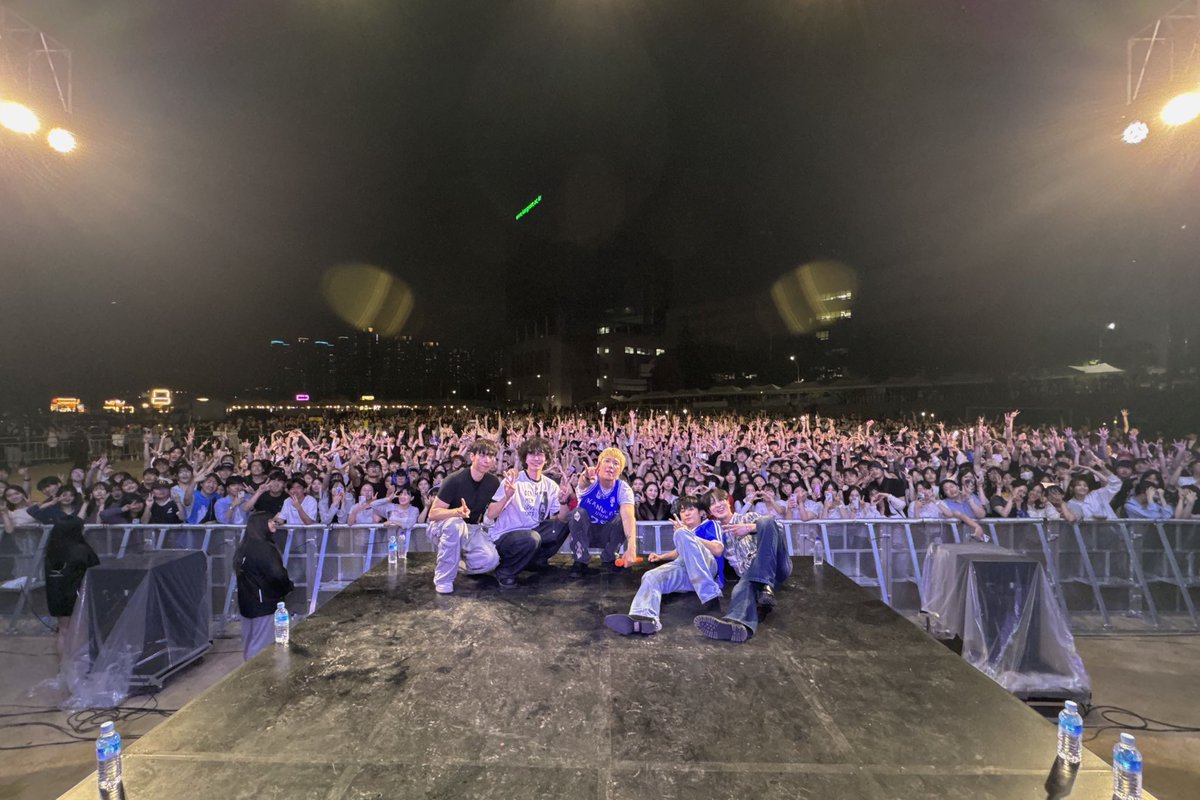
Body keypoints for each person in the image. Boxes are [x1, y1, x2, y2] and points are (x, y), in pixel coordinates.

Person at [603, 495, 723, 636]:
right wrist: (661, 556)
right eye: (683, 511)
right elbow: (678, 553)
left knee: (681, 534)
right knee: (651, 576)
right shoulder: (684, 533)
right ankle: (644, 617)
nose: (686, 513)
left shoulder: (710, 525)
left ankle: (711, 597)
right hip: (687, 572)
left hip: (708, 570)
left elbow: (718, 550)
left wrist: (688, 535)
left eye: (691, 509)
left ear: (702, 513)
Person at [693, 488, 791, 643]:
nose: (718, 505)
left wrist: (750, 528)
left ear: (728, 501)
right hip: (750, 575)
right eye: (712, 504)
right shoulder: (716, 532)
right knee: (741, 588)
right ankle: (735, 625)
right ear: (708, 511)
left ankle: (766, 584)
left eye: (720, 500)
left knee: (766, 521)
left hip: (777, 566)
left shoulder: (748, 517)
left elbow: (778, 527)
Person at [483, 437, 570, 588]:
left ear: (546, 458)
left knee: (565, 524)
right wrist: (507, 496)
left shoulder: (550, 485)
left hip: (532, 533)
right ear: (525, 458)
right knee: (531, 538)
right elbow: (490, 514)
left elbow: (560, 518)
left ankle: (534, 562)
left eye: (540, 454)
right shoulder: (513, 480)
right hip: (506, 537)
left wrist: (564, 501)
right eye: (532, 454)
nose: (536, 459)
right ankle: (506, 571)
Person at [425, 439, 502, 594]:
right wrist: (456, 512)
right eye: (482, 455)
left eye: (491, 456)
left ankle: (455, 563)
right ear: (472, 456)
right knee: (455, 525)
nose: (487, 460)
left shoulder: (493, 482)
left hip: (471, 528)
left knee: (490, 560)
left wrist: (508, 494)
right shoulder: (454, 479)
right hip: (443, 525)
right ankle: (444, 579)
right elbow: (433, 514)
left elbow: (492, 513)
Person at [567, 447, 639, 577]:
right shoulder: (591, 481)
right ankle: (580, 560)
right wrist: (586, 476)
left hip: (606, 533)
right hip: (586, 531)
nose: (611, 466)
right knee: (577, 513)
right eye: (607, 461)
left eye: (616, 463)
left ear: (620, 471)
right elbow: (583, 483)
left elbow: (629, 517)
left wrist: (631, 548)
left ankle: (609, 557)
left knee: (622, 519)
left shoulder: (623, 489)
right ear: (599, 465)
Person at [233, 512, 294, 660]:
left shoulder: (245, 546)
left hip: (247, 603)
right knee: (261, 646)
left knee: (250, 641)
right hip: (263, 604)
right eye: (270, 521)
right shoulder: (264, 548)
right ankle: (255, 678)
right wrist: (287, 587)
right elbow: (277, 574)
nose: (274, 523)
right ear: (261, 525)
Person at [43, 517, 100, 664]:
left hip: (56, 595)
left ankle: (63, 668)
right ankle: (78, 667)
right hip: (77, 596)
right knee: (80, 632)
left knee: (63, 631)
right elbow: (96, 569)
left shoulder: (51, 550)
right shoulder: (82, 550)